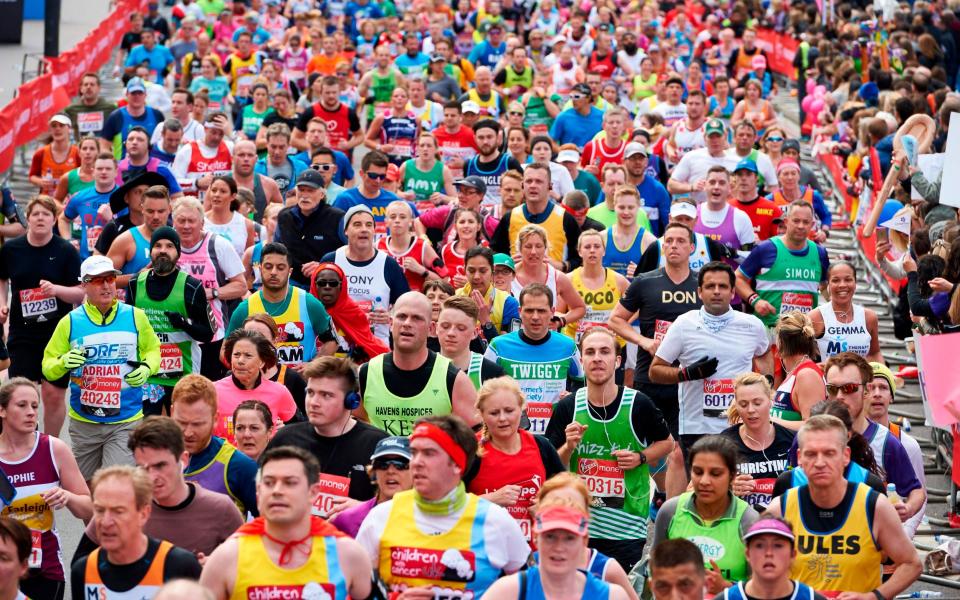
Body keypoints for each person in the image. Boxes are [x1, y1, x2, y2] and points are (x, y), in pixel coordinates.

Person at [357, 414, 530, 597]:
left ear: (457, 464)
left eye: (429, 453)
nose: (416, 462)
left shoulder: (495, 521)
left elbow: (532, 590)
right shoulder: (382, 516)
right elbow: (351, 591)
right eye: (414, 453)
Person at [548, 327, 673, 570]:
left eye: (604, 352)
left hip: (625, 526)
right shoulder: (568, 406)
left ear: (617, 361)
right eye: (590, 352)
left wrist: (640, 457)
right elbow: (551, 465)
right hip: (579, 523)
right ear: (581, 361)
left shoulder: (638, 403)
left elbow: (667, 443)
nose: (597, 358)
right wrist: (569, 447)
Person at [764, 415, 922, 597]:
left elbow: (912, 564)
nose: (820, 462)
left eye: (829, 453)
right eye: (811, 454)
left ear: (846, 456)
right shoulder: (780, 509)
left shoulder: (874, 506)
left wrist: (873, 596)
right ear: (799, 457)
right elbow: (758, 569)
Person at [200, 446, 374, 599]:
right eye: (269, 483)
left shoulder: (348, 555)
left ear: (313, 492)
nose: (277, 491)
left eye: (290, 483)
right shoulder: (226, 558)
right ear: (259, 493)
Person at [41, 254, 159, 477]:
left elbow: (153, 350)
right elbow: (48, 365)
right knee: (86, 492)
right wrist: (63, 363)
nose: (106, 286)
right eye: (97, 280)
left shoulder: (136, 316)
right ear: (84, 285)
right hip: (85, 421)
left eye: (110, 279)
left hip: (126, 419)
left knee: (116, 484)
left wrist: (146, 368)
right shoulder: (70, 321)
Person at [75, 415, 245, 561]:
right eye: (143, 468)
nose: (152, 477)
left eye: (160, 466)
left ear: (183, 460)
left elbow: (247, 566)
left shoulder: (220, 509)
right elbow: (81, 564)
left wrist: (214, 566)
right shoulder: (123, 506)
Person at [650, 262, 772, 448]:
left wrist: (766, 383)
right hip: (696, 426)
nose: (716, 291)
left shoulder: (752, 325)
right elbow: (655, 371)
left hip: (741, 425)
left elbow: (764, 354)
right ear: (700, 292)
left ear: (732, 293)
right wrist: (686, 374)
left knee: (740, 478)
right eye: (710, 286)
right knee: (700, 478)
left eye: (722, 286)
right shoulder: (684, 324)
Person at [608, 222, 703, 437]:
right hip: (650, 376)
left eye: (680, 241)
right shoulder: (645, 281)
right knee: (648, 441)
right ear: (662, 247)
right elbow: (615, 320)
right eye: (668, 241)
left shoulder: (703, 284)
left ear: (691, 247)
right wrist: (644, 341)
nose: (674, 246)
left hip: (690, 378)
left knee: (681, 449)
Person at [0, 379, 91, 600]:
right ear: (1, 410)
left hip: (46, 569)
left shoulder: (54, 449)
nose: (31, 412)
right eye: (22, 405)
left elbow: (89, 509)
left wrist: (67, 496)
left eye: (34, 405)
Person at [0, 196, 82, 435]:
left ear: (54, 219)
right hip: (22, 333)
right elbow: (2, 279)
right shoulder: (12, 249)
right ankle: (26, 440)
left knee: (53, 394)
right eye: (35, 214)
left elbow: (79, 294)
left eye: (46, 214)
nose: (40, 218)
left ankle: (49, 445)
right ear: (27, 218)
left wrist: (56, 290)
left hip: (57, 334)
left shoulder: (65, 251)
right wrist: (1, 304)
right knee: (21, 393)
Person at [266, 356, 387, 518]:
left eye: (326, 395)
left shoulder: (377, 445)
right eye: (310, 392)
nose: (314, 402)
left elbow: (400, 506)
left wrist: (365, 509)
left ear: (351, 401)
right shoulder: (285, 439)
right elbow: (261, 492)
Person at [70, 465, 202, 600]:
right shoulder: (83, 571)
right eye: (100, 510)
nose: (106, 522)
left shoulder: (179, 566)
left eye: (118, 511)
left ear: (144, 514)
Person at [823, 352, 926, 522]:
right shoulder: (809, 437)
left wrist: (907, 509)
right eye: (833, 389)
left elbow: (916, 491)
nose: (840, 396)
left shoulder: (887, 441)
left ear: (866, 390)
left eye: (849, 388)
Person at [651, 436, 760, 595]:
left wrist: (727, 589)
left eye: (715, 474)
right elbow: (654, 572)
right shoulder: (670, 512)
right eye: (698, 472)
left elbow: (760, 590)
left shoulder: (749, 521)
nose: (704, 481)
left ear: (732, 476)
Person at [358, 291, 479, 435]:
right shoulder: (365, 373)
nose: (407, 323)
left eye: (417, 318)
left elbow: (477, 437)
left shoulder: (454, 379)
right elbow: (352, 426)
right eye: (402, 317)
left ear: (431, 328)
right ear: (391, 323)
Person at [126, 226, 213, 416]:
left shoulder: (191, 286)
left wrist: (183, 323)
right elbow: (128, 329)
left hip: (183, 374)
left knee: (182, 427)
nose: (163, 250)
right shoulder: (135, 284)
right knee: (149, 429)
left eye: (169, 246)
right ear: (151, 251)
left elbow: (207, 334)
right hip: (148, 375)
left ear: (178, 253)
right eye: (157, 245)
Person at [465, 377, 564, 539]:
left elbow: (569, 494)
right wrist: (490, 499)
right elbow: (447, 506)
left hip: (533, 555)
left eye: (509, 411)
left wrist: (548, 506)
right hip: (485, 554)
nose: (502, 418)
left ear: (521, 408)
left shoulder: (540, 446)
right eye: (494, 413)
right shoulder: (471, 450)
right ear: (481, 414)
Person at [485, 283, 584, 434]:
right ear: (520, 311)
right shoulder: (498, 346)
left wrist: (573, 396)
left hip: (556, 434)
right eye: (529, 310)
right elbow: (482, 388)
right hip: (512, 434)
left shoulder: (567, 346)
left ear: (552, 312)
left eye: (541, 311)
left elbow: (582, 382)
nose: (535, 317)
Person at [483, 502, 631, 600]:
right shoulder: (508, 591)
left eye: (569, 538)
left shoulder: (612, 595)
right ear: (536, 538)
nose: (559, 547)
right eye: (550, 537)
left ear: (584, 541)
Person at [171, 197, 247, 381]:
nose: (186, 226)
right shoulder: (167, 245)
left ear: (202, 222)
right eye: (181, 221)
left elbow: (241, 286)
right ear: (174, 222)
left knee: (209, 388)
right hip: (175, 333)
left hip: (212, 333)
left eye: (192, 221)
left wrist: (211, 293)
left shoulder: (217, 245)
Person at [227, 242, 333, 365]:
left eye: (280, 268)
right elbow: (225, 352)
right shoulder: (245, 308)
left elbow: (332, 341)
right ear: (260, 269)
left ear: (290, 271)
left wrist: (312, 366)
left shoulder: (309, 303)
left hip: (300, 383)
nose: (273, 272)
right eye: (268, 266)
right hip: (260, 383)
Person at [170, 374, 259, 517]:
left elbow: (270, 526)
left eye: (197, 424)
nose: (188, 433)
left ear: (215, 419)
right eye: (182, 423)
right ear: (172, 412)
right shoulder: (155, 461)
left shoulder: (239, 466)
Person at [322, 205, 410, 344]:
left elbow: (407, 306)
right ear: (345, 230)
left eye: (369, 225)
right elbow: (317, 303)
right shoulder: (331, 260)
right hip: (337, 345)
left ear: (374, 230)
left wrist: (391, 316)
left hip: (376, 345)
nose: (364, 229)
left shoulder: (388, 264)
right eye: (357, 224)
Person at [736, 201, 829, 329]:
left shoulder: (820, 253)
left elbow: (825, 288)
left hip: (802, 332)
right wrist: (755, 300)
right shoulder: (766, 248)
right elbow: (737, 278)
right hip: (768, 329)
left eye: (806, 222)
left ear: (812, 225)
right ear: (786, 222)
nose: (801, 226)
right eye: (796, 221)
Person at [721, 373, 795, 511]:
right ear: (736, 405)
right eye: (743, 404)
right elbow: (693, 490)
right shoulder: (724, 443)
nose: (751, 410)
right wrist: (727, 488)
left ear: (770, 401)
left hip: (784, 520)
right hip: (742, 521)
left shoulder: (791, 440)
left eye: (757, 403)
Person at [869, 362, 927, 536]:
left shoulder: (908, 444)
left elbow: (920, 496)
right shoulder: (846, 438)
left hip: (894, 535)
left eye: (883, 388)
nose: (877, 393)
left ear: (891, 396)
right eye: (870, 388)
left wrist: (905, 534)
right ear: (861, 394)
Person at [214, 329, 298, 445]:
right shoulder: (213, 391)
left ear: (262, 362)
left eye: (248, 355)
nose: (240, 361)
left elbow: (300, 428)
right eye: (236, 355)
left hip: (265, 461)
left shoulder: (279, 392)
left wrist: (283, 433)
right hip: (225, 462)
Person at [721, 517, 827, 600]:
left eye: (778, 545)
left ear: (793, 554)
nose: (769, 553)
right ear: (748, 554)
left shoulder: (811, 598)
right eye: (759, 545)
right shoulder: (726, 598)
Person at [328, 435, 413, 538]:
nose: (390, 471)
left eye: (400, 464)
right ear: (373, 472)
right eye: (382, 464)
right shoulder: (347, 520)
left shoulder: (431, 518)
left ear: (416, 471)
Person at [273, 169, 344, 288]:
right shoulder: (284, 216)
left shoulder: (337, 218)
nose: (305, 195)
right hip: (291, 284)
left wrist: (324, 266)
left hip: (327, 284)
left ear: (322, 194)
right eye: (301, 190)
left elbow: (351, 254)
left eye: (310, 191)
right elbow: (277, 250)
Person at [308, 263, 390, 363]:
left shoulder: (354, 313)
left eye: (333, 283)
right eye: (322, 283)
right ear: (314, 285)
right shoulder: (305, 309)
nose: (327, 287)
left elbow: (370, 345)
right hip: (311, 370)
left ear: (341, 286)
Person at [562, 230, 629, 343]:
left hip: (613, 344)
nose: (592, 250)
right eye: (587, 247)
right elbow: (557, 312)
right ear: (579, 252)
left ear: (603, 251)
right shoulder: (568, 279)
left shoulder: (619, 280)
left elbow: (636, 307)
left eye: (597, 246)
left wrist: (620, 325)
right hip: (576, 344)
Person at [809, 261, 883, 363]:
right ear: (828, 285)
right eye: (835, 280)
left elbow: (874, 353)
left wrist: (883, 377)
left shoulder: (869, 317)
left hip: (861, 379)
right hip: (827, 378)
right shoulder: (815, 317)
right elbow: (800, 357)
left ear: (855, 283)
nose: (842, 285)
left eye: (848, 280)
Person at [694, 166, 756, 270]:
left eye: (722, 183)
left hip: (728, 283)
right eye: (712, 182)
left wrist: (731, 252)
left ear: (729, 188)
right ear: (705, 185)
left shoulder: (740, 217)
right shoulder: (692, 214)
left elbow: (752, 259)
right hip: (696, 284)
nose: (716, 187)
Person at [438, 296, 506, 388]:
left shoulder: (493, 374)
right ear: (436, 328)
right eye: (445, 326)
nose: (451, 333)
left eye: (461, 328)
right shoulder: (421, 367)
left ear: (475, 333)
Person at [770, 312, 825, 424]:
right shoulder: (795, 371)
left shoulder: (807, 375)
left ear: (781, 342)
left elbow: (814, 426)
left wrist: (768, 422)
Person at [62, 153, 119, 259]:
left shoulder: (124, 198)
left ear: (116, 172)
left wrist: (111, 220)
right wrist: (68, 240)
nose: (103, 172)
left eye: (108, 168)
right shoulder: (80, 197)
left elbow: (133, 230)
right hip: (85, 260)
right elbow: (63, 218)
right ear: (93, 171)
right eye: (100, 168)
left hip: (115, 260)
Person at [379, 200, 445, 292]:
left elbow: (445, 281)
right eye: (393, 217)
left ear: (411, 222)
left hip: (414, 303)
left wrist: (422, 270)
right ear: (386, 222)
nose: (397, 220)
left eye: (402, 217)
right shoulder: (378, 246)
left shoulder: (422, 247)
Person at [464, 119, 524, 208]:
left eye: (489, 137)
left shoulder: (509, 163)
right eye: (481, 137)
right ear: (475, 139)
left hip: (504, 216)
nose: (485, 142)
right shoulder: (469, 165)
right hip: (478, 218)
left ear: (498, 138)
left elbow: (523, 191)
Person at [100, 78, 166, 158]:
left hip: (151, 168)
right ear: (127, 94)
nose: (137, 96)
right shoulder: (116, 117)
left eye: (140, 93)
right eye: (133, 93)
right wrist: (113, 164)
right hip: (122, 168)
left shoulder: (156, 115)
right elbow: (104, 146)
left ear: (145, 94)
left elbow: (164, 143)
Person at [603, 187, 657, 278]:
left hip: (636, 292)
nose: (626, 212)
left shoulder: (650, 242)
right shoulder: (601, 238)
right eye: (621, 207)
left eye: (631, 207)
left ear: (638, 207)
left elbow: (657, 279)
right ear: (614, 206)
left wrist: (642, 272)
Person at [728, 159, 783, 243]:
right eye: (740, 174)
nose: (743, 178)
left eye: (748, 174)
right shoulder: (727, 207)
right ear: (735, 178)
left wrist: (761, 244)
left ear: (756, 178)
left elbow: (781, 243)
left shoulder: (773, 209)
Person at [28, 115, 80, 196]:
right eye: (54, 126)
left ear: (69, 129)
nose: (57, 128)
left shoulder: (78, 153)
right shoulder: (40, 153)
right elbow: (32, 176)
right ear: (50, 130)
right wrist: (40, 181)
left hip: (69, 201)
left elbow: (86, 175)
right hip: (47, 202)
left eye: (61, 125)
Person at [63, 72, 117, 144]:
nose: (88, 87)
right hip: (81, 151)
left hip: (103, 152)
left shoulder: (111, 109)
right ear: (81, 88)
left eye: (92, 84)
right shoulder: (70, 110)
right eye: (86, 84)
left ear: (98, 88)